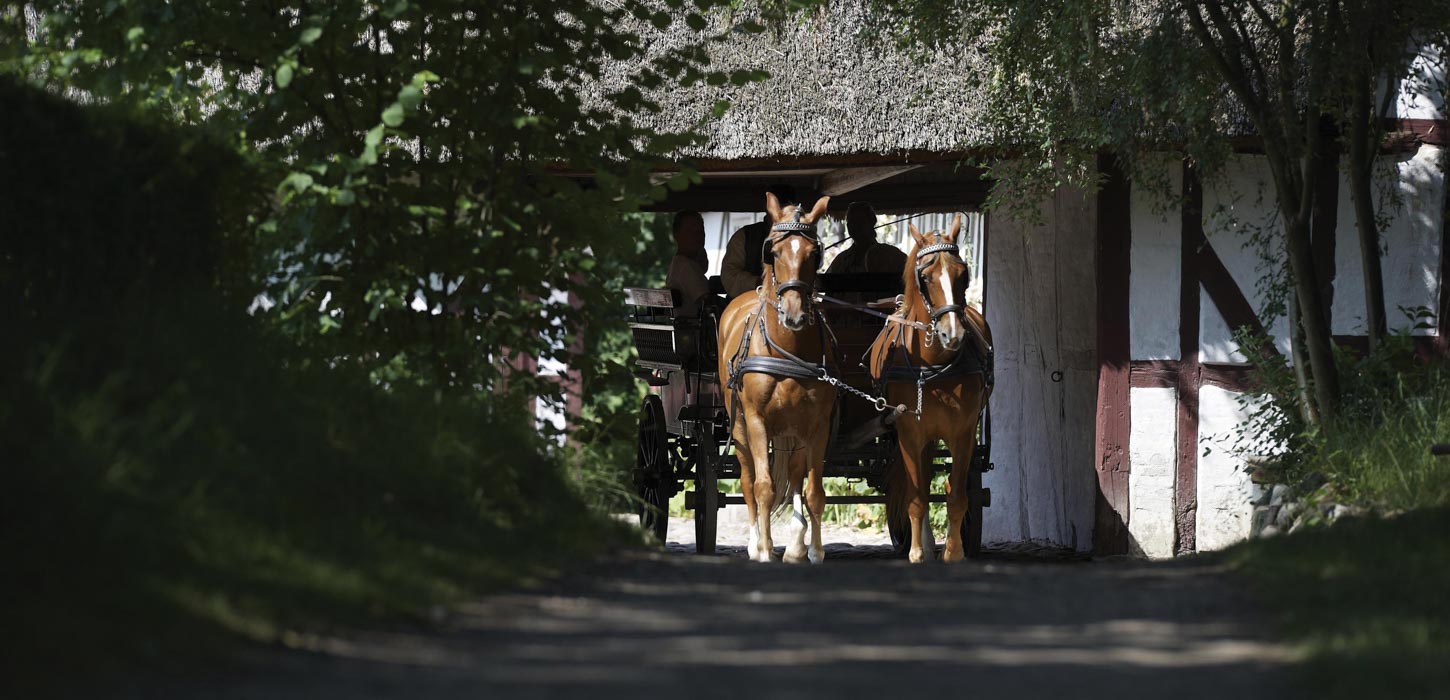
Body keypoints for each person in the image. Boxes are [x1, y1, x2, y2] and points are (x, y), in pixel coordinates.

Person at [720, 184, 798, 298]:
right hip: (750, 302)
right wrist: (758, 282)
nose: (781, 213)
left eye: (785, 208)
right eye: (777, 207)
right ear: (768, 208)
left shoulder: (800, 239)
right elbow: (729, 274)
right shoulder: (745, 236)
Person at [825, 201, 906, 275]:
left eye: (859, 221)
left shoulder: (890, 255)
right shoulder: (841, 260)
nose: (854, 226)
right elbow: (825, 282)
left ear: (872, 222)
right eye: (850, 222)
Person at [665, 210, 712, 317]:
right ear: (677, 235)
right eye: (690, 231)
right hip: (694, 325)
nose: (697, 236)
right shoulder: (685, 266)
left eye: (700, 231)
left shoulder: (678, 263)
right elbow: (706, 302)